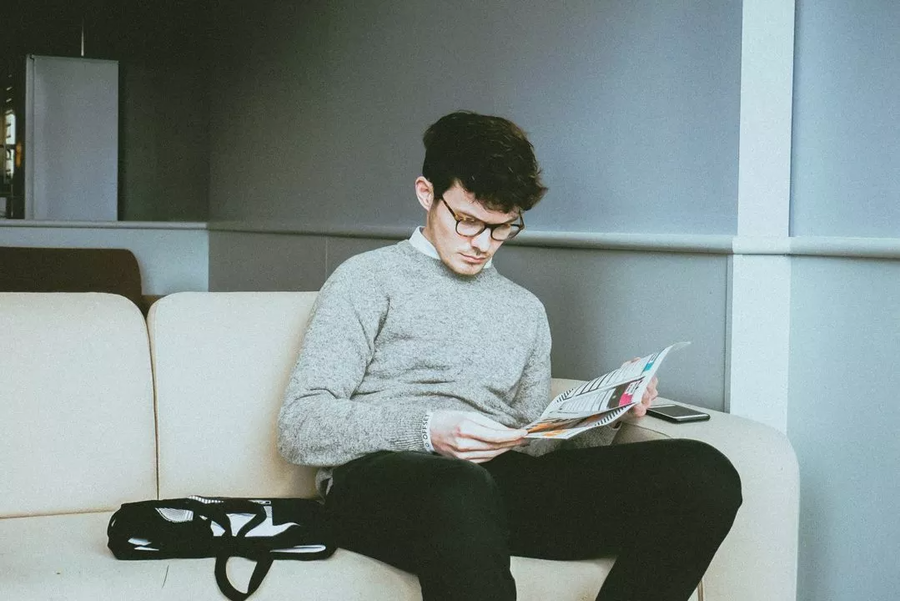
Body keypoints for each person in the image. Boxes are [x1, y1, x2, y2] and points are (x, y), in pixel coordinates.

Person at [277, 111, 742, 601]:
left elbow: (533, 445)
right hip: (384, 482)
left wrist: (609, 410)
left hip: (494, 487)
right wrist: (429, 430)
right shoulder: (366, 279)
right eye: (468, 221)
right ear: (426, 193)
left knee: (703, 473)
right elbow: (300, 425)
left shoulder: (524, 310)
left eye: (501, 228)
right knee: (460, 487)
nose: (483, 244)